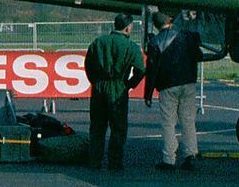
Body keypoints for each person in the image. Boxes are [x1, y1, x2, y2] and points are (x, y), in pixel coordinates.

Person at [143, 10, 219, 170]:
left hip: (168, 86)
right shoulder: (187, 36)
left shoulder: (155, 42)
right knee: (188, 120)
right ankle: (190, 153)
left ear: (156, 26)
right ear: (170, 19)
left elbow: (151, 70)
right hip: (188, 82)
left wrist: (148, 93)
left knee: (168, 123)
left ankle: (169, 158)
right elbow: (198, 55)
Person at [84, 14, 145, 171]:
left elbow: (88, 65)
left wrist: (95, 82)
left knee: (97, 127)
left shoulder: (98, 42)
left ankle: (94, 161)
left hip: (99, 88)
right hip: (118, 87)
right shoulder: (131, 46)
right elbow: (140, 70)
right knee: (118, 127)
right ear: (128, 27)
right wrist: (129, 85)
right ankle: (115, 162)